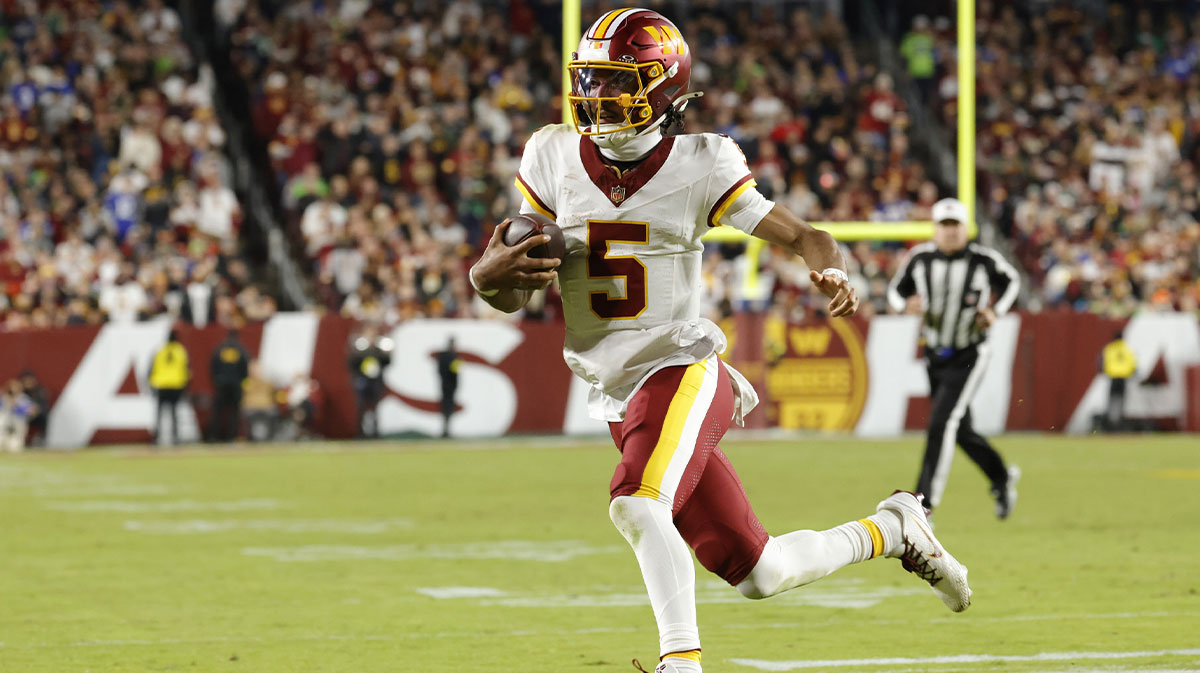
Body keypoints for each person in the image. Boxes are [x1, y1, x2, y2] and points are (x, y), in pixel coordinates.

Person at [469, 10, 971, 673]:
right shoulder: (552, 152)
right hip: (619, 392)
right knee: (760, 570)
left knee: (636, 500)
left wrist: (833, 269)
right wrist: (486, 275)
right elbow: (514, 283)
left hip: (679, 366)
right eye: (590, 81)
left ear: (661, 88)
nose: (596, 98)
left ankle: (682, 662)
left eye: (616, 84)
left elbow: (804, 235)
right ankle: (893, 529)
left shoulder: (702, 161)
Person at [887, 197, 1022, 519]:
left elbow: (1012, 282)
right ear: (935, 228)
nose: (949, 232)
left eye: (955, 225)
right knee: (958, 428)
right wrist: (905, 306)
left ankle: (924, 506)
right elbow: (895, 290)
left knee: (941, 423)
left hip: (970, 352)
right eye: (944, 225)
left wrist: (995, 311)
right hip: (935, 353)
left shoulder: (983, 260)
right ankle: (1001, 477)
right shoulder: (920, 259)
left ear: (966, 228)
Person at [347, 324, 392, 438]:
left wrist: (386, 353)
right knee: (361, 406)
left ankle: (375, 431)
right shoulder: (359, 348)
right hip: (362, 380)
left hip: (376, 381)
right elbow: (351, 363)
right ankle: (360, 432)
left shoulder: (378, 349)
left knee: (376, 407)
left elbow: (386, 362)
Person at [148, 330, 190, 445]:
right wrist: (185, 385)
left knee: (159, 412)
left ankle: (156, 437)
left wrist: (152, 383)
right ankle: (175, 437)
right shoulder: (181, 351)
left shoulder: (160, 350)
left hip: (161, 384)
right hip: (176, 384)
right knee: (174, 412)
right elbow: (186, 369)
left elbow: (151, 368)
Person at [209, 329, 249, 441]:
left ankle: (214, 436)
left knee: (217, 412)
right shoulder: (241, 350)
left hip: (221, 384)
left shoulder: (220, 349)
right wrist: (242, 381)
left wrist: (217, 380)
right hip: (236, 385)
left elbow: (213, 366)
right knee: (234, 412)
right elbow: (245, 368)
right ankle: (231, 436)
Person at [1100, 330, 1137, 431]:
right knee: (1121, 401)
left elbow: (1102, 363)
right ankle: (1119, 423)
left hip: (1113, 377)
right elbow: (1133, 365)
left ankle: (1109, 424)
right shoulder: (1127, 349)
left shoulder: (1109, 348)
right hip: (1123, 378)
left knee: (1111, 400)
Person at [435, 338, 461, 438]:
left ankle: (445, 430)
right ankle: (446, 431)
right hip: (451, 386)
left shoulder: (441, 357)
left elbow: (439, 371)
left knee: (445, 407)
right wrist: (455, 385)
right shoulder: (454, 357)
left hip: (444, 385)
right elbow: (456, 372)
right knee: (449, 407)